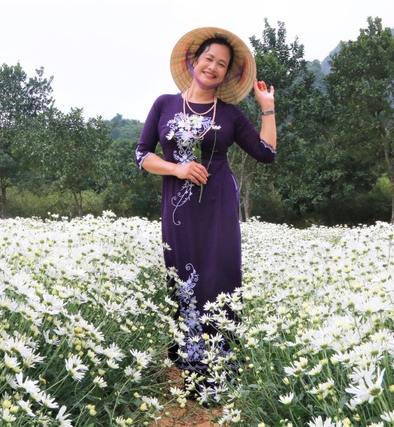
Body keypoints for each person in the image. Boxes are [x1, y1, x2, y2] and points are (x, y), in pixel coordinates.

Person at [134, 26, 277, 391]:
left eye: (222, 64)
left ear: (228, 75)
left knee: (219, 276)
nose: (213, 67)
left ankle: (220, 372)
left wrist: (268, 109)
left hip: (218, 208)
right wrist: (177, 168)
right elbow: (141, 155)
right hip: (178, 210)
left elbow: (266, 154)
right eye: (209, 59)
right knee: (181, 278)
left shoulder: (229, 115)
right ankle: (189, 365)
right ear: (194, 61)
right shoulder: (164, 103)